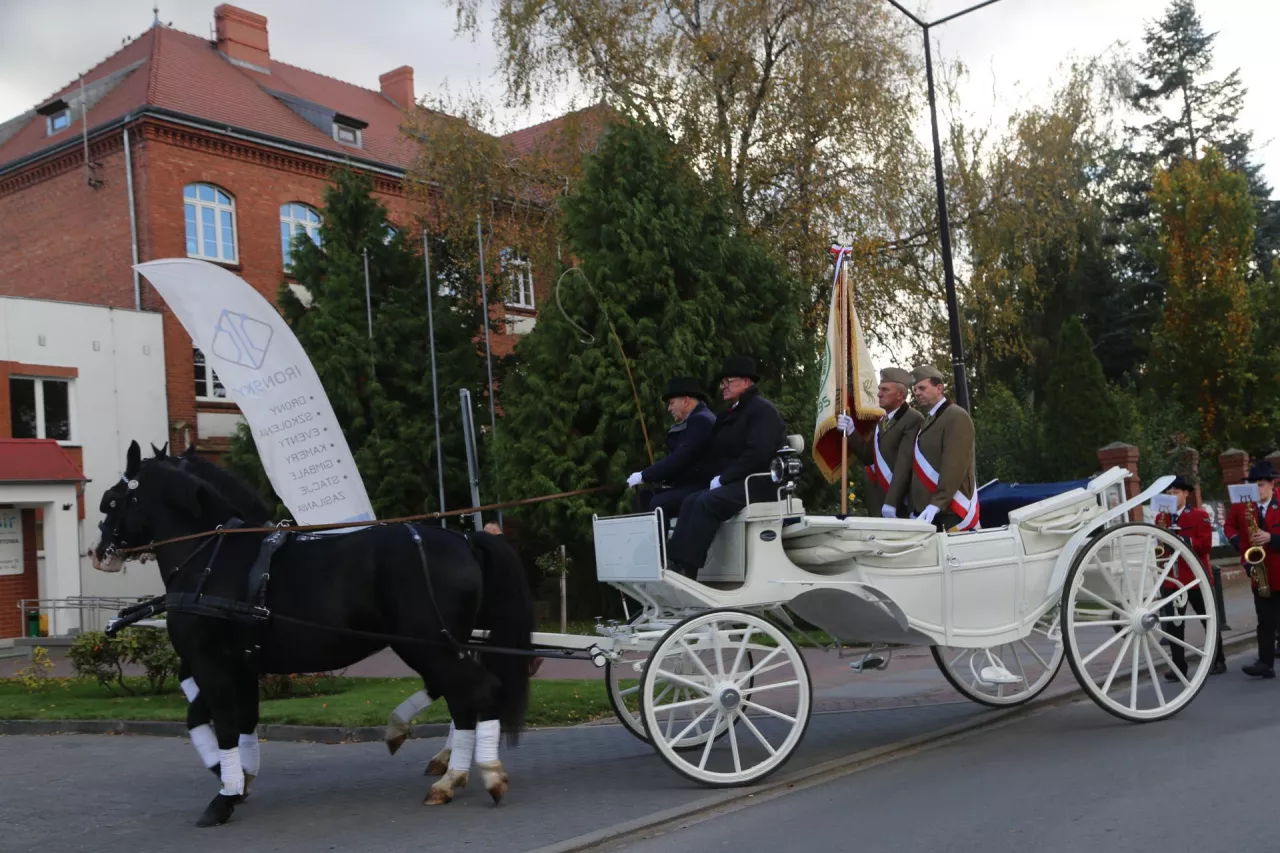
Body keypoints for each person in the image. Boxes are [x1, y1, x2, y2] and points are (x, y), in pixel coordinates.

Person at [665, 356, 786, 579]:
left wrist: (724, 478)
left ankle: (687, 569)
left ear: (747, 382)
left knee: (705, 502)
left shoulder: (762, 411)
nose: (724, 386)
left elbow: (758, 453)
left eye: (728, 381)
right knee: (691, 499)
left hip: (758, 483)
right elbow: (717, 451)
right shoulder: (732, 413)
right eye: (723, 382)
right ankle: (676, 562)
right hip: (736, 482)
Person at [1160, 476, 1227, 680]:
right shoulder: (1161, 519)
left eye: (1176, 493)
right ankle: (1179, 666)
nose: (1172, 496)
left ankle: (1218, 659)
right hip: (1172, 578)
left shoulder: (1199, 515)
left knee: (1208, 620)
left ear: (1186, 494)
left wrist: (1181, 540)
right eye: (1169, 493)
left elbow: (1205, 545)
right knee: (1174, 625)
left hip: (1195, 577)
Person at [835, 367, 924, 518]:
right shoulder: (883, 421)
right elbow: (868, 457)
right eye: (879, 389)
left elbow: (904, 464)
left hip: (899, 505)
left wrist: (891, 503)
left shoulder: (912, 419)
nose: (878, 394)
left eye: (885, 390)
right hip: (879, 501)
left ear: (900, 394)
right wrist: (851, 431)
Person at [626, 377, 716, 520]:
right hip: (690, 484)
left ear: (686, 401)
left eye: (671, 403)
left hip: (703, 485)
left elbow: (681, 458)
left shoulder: (701, 421)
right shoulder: (695, 421)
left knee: (659, 504)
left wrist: (644, 475)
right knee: (643, 497)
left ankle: (662, 542)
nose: (669, 409)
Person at [1224, 461, 1280, 678]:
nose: (1258, 489)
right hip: (1259, 571)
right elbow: (1228, 526)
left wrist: (1272, 538)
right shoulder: (1242, 507)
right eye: (1254, 485)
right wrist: (1240, 545)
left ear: (1272, 484)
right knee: (1264, 620)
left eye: (1261, 484)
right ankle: (1265, 664)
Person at [906, 365, 978, 531]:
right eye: (915, 389)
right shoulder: (930, 420)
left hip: (949, 509)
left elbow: (955, 465)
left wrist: (937, 503)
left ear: (939, 388)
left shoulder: (956, 416)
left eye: (922, 388)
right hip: (930, 510)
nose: (917, 393)